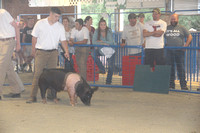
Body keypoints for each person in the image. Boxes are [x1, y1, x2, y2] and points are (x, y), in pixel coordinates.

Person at [26, 7, 70, 103]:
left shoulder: (60, 26)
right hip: (41, 52)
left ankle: (51, 95)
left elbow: (63, 40)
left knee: (53, 76)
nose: (57, 19)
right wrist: (33, 51)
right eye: (55, 16)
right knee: (37, 74)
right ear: (50, 14)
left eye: (58, 17)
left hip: (54, 53)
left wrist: (66, 51)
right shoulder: (40, 23)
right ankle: (33, 96)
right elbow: (34, 38)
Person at [0, 9, 25, 99]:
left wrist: (18, 44)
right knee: (8, 67)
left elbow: (16, 27)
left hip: (8, 41)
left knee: (1, 66)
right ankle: (17, 89)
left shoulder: (3, 13)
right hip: (1, 41)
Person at [165, 13, 193, 90]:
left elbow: (190, 36)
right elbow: (161, 36)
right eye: (172, 19)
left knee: (180, 68)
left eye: (174, 19)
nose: (173, 20)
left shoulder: (182, 27)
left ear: (177, 19)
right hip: (169, 51)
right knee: (170, 68)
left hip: (179, 51)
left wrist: (186, 45)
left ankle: (183, 85)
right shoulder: (166, 28)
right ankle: (171, 85)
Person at [91, 17, 115, 85]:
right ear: (99, 25)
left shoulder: (109, 31)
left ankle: (108, 81)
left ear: (106, 25)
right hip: (100, 50)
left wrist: (101, 41)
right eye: (101, 24)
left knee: (111, 66)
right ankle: (102, 68)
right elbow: (93, 42)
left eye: (104, 24)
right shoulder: (96, 31)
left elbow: (111, 42)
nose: (103, 26)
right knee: (93, 54)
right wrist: (104, 43)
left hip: (110, 51)